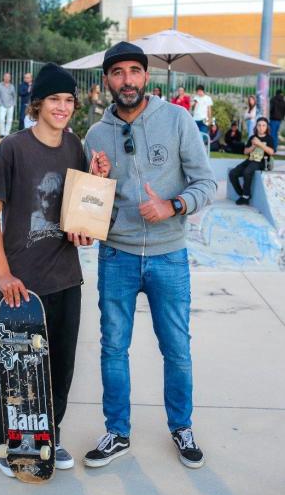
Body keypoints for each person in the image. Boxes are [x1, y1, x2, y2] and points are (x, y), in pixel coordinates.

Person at [82, 41, 217, 470]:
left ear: (147, 76)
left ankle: (181, 427)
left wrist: (172, 206)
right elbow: (92, 204)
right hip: (116, 256)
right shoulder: (96, 134)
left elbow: (206, 184)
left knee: (176, 348)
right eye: (117, 72)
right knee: (112, 348)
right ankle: (117, 432)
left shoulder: (177, 120)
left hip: (168, 256)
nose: (127, 80)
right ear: (107, 79)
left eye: (134, 71)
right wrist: (94, 180)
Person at [0, 63, 110, 478]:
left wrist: (97, 183)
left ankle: (47, 436)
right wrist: (3, 274)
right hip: (23, 282)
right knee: (17, 368)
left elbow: (79, 213)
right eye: (54, 99)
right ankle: (8, 440)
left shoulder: (75, 146)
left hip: (66, 277)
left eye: (69, 100)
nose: (63, 107)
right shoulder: (14, 148)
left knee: (61, 367)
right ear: (38, 103)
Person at [229, 117, 274, 205]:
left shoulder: (269, 138)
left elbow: (271, 152)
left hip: (261, 162)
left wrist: (260, 144)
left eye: (263, 125)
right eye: (259, 125)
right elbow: (245, 151)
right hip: (250, 160)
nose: (261, 127)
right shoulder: (252, 137)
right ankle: (242, 194)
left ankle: (246, 196)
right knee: (232, 173)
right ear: (256, 126)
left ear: (267, 127)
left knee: (247, 172)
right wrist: (253, 146)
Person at [0, 72, 16, 137]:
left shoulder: (12, 86)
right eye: (6, 76)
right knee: (1, 119)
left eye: (8, 77)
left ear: (10, 78)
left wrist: (13, 103)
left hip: (10, 105)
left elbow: (14, 96)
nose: (7, 78)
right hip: (2, 105)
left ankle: (7, 134)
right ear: (3, 77)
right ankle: (2, 133)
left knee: (9, 120)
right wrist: (0, 103)